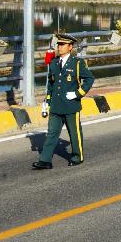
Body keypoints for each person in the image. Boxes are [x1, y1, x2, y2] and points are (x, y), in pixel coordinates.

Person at [32, 33, 95, 169]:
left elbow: (90, 79)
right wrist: (47, 100)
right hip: (56, 105)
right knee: (51, 133)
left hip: (71, 105)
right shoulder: (54, 63)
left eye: (62, 45)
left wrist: (78, 94)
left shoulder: (77, 64)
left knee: (74, 133)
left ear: (70, 47)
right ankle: (45, 160)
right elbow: (51, 84)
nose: (59, 47)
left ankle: (77, 156)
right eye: (58, 44)